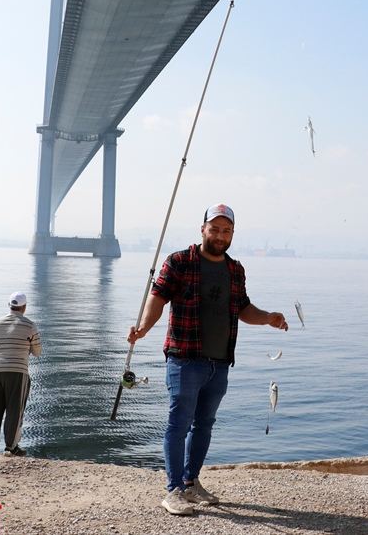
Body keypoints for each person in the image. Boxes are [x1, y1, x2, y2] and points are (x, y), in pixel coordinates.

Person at [127, 204, 288, 515]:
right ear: (202, 229)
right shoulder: (179, 261)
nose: (220, 235)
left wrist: (268, 317)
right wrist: (144, 328)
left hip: (220, 362)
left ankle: (190, 482)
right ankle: (173, 490)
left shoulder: (235, 269)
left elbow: (243, 309)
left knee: (204, 425)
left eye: (226, 230)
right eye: (214, 229)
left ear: (232, 234)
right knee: (179, 424)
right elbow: (158, 297)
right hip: (185, 359)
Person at [0, 292, 41, 456]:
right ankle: (11, 447)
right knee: (15, 409)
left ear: (9, 306)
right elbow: (37, 351)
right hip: (17, 371)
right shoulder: (29, 325)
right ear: (24, 307)